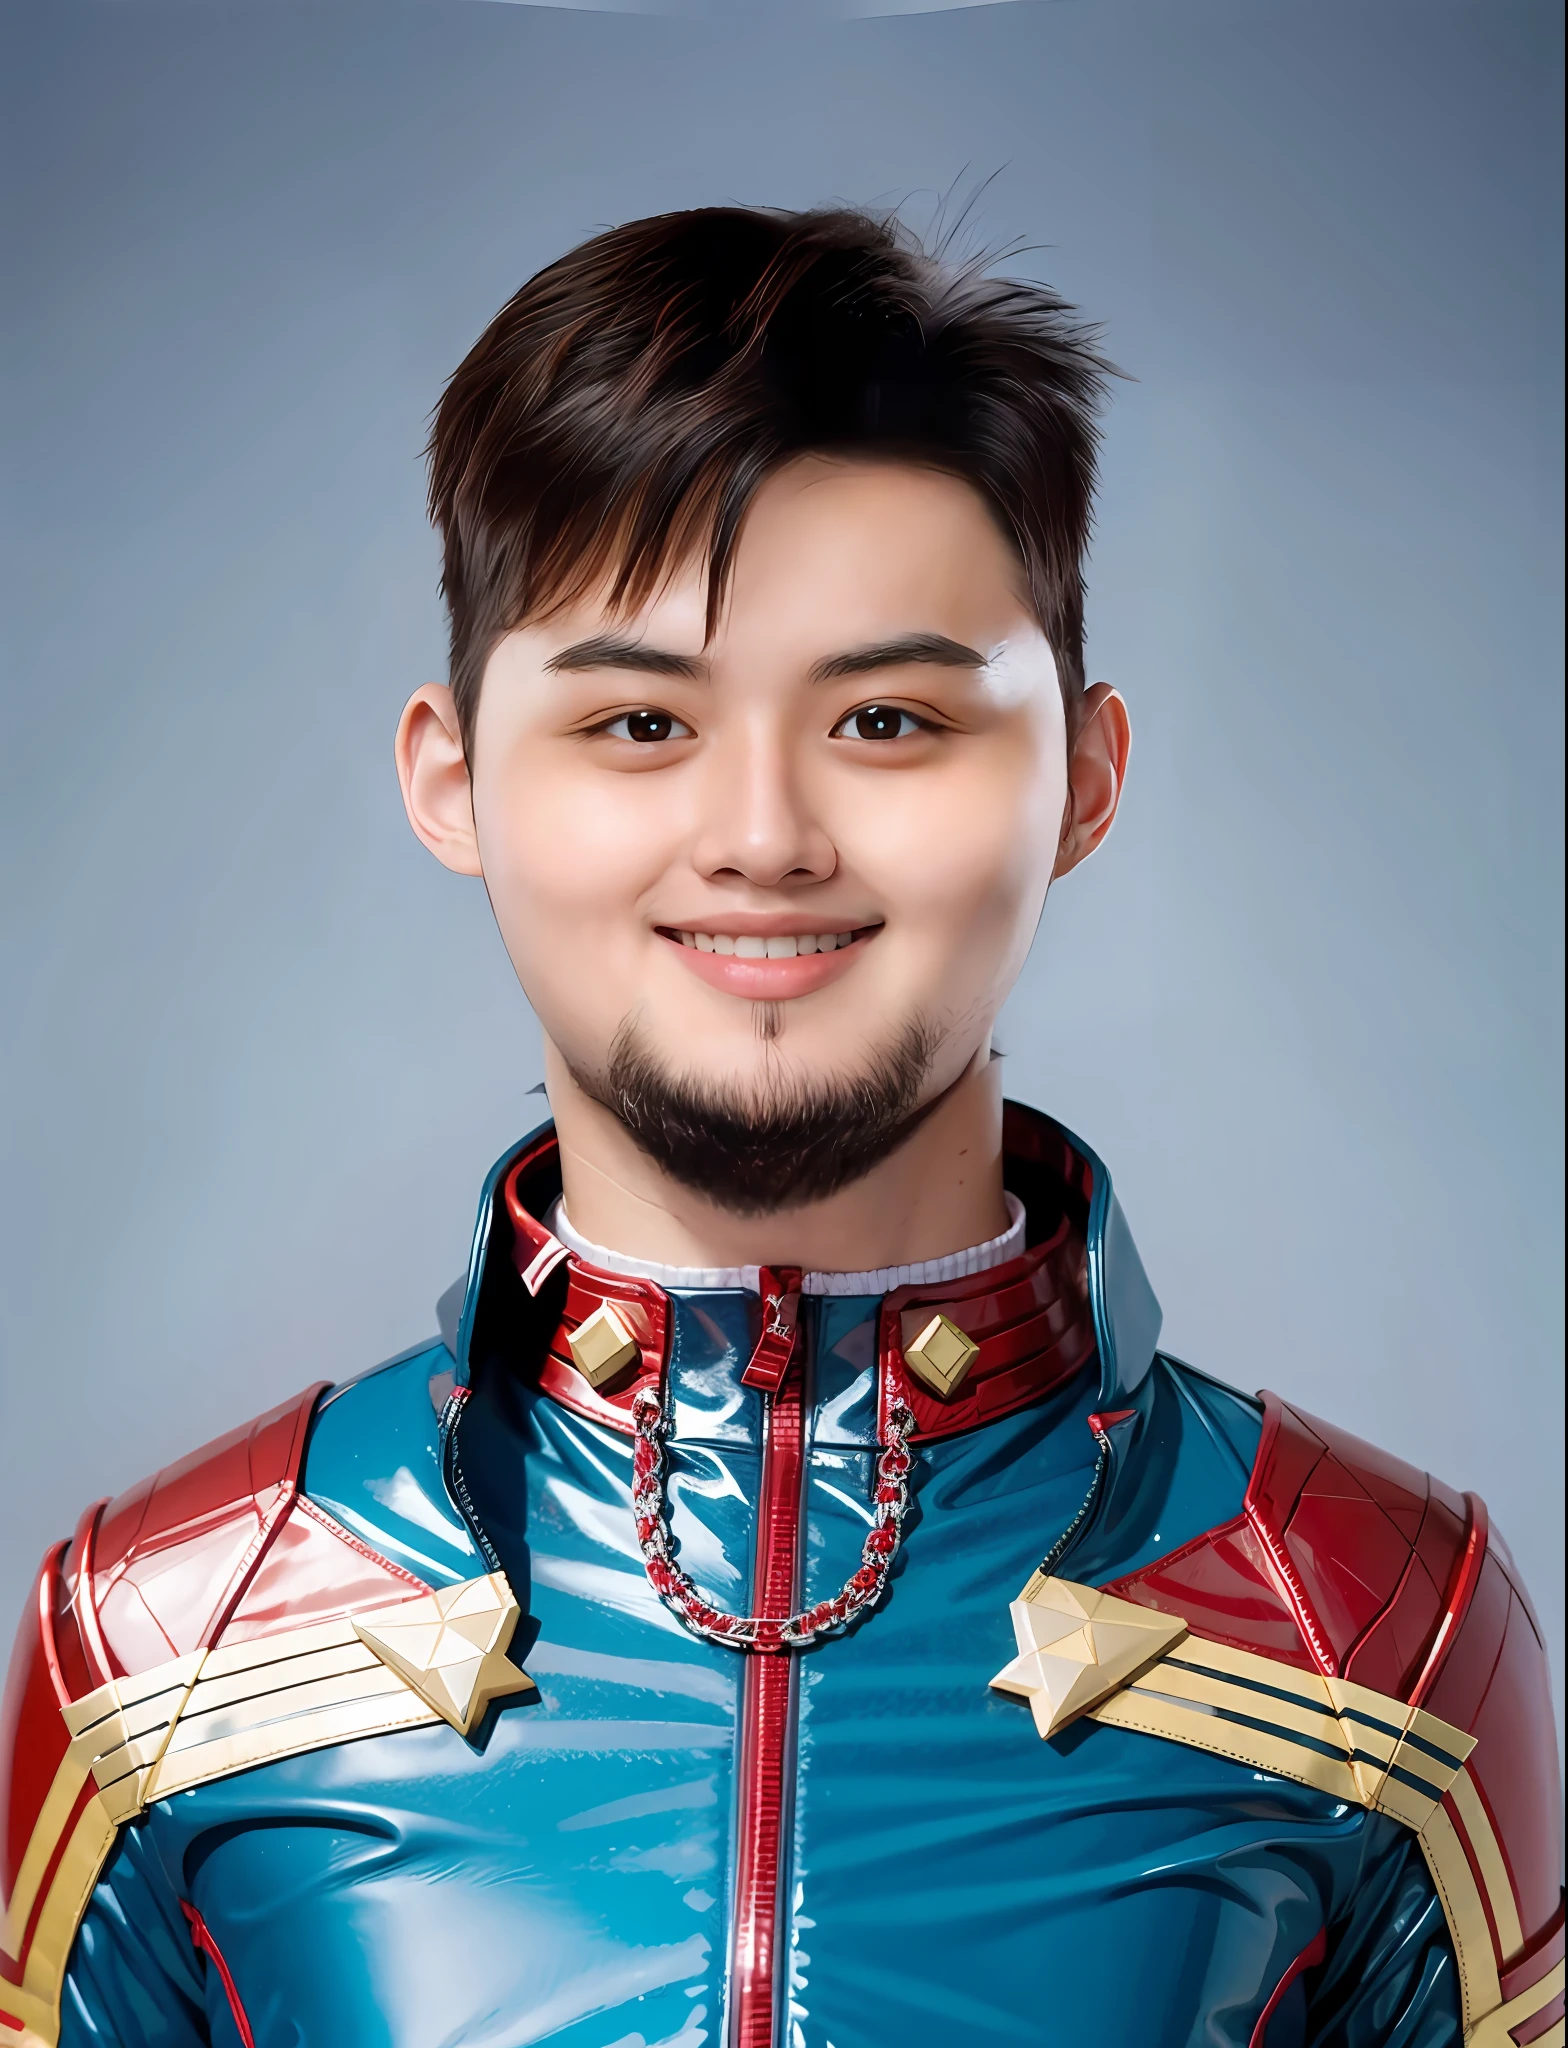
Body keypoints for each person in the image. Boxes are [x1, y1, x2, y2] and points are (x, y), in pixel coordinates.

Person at [1, 206, 1559, 2048]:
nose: (761, 834)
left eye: (889, 719)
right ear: (452, 780)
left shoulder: (1383, 1634)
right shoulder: (160, 1647)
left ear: (1087, 778)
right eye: (641, 723)